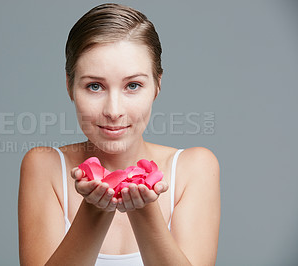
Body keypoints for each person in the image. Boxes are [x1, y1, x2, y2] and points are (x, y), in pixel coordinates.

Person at [18, 3, 220, 265]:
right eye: (94, 86)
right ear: (69, 86)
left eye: (133, 85)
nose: (113, 111)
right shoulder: (44, 166)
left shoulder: (194, 168)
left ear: (157, 85)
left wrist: (144, 211)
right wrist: (94, 210)